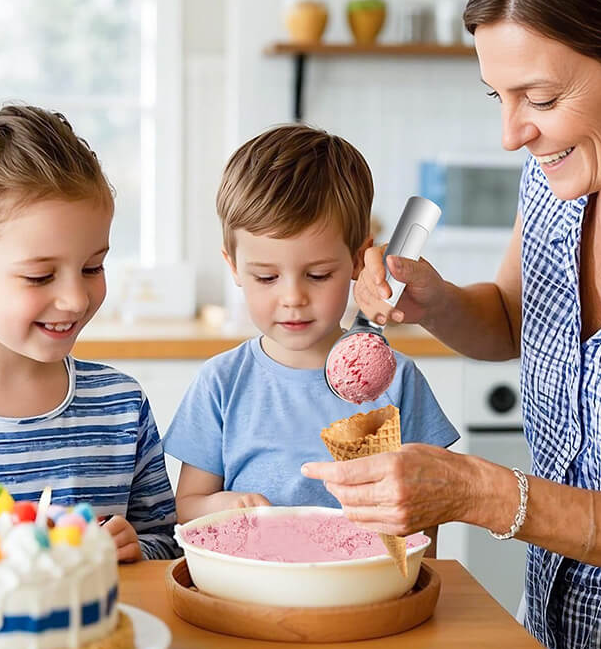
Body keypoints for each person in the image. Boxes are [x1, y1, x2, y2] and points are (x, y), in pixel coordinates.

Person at [302, 0, 601, 649]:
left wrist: (484, 495)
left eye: (540, 98)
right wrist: (436, 300)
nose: (511, 132)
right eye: (499, 97)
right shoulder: (558, 183)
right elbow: (514, 319)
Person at [0, 105, 178, 562]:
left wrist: (135, 549)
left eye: (92, 267)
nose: (75, 299)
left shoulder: (121, 406)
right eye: (40, 276)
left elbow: (168, 544)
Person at [163, 124, 458, 536]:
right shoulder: (222, 383)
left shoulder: (399, 381)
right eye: (266, 278)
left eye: (318, 275)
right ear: (233, 266)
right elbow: (187, 506)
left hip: (365, 592)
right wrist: (226, 505)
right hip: (253, 590)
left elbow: (427, 518)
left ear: (358, 261)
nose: (293, 297)